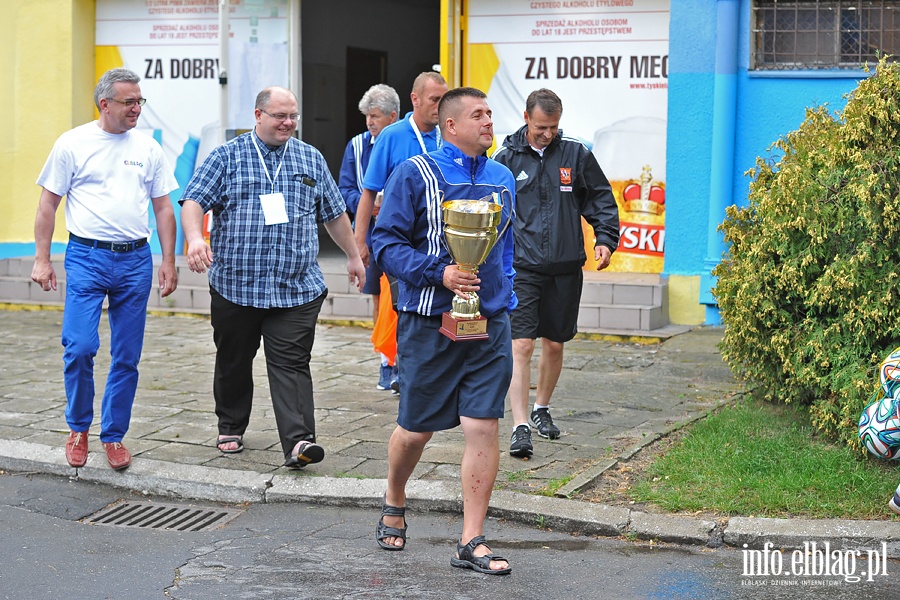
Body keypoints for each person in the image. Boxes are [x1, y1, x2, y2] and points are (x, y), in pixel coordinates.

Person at [371, 87, 516, 575]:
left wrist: (505, 295)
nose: (488, 121)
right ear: (450, 125)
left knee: (483, 424)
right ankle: (395, 493)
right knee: (416, 430)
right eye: (478, 115)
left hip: (489, 322)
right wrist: (441, 273)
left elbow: (507, 246)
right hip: (428, 322)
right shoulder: (414, 173)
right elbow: (385, 243)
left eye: (490, 113)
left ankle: (471, 538)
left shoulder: (501, 177)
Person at [180, 86, 365, 468]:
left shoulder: (310, 158)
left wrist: (353, 256)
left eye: (293, 116)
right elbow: (194, 199)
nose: (288, 123)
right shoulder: (227, 157)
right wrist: (196, 237)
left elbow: (333, 213)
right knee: (234, 359)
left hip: (295, 287)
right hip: (236, 285)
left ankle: (299, 442)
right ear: (258, 115)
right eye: (280, 116)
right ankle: (231, 423)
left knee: (291, 363)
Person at [31, 68, 179, 471]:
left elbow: (164, 207)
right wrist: (42, 259)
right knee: (79, 347)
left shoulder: (147, 148)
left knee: (127, 355)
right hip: (87, 256)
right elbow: (48, 204)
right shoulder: (73, 143)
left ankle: (113, 436)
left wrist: (168, 260)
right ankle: (78, 427)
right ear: (105, 104)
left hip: (135, 259)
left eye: (139, 101)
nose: (137, 108)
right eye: (129, 102)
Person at [492, 88, 619, 458]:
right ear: (526, 117)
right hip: (522, 269)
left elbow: (599, 197)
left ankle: (541, 408)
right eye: (541, 126)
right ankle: (518, 426)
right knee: (521, 345)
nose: (547, 133)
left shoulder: (576, 153)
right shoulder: (505, 157)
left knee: (555, 344)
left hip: (565, 267)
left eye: (554, 127)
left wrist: (605, 238)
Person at [351, 72, 449, 394]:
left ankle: (424, 370)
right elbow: (368, 191)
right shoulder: (393, 136)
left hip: (438, 241)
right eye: (435, 99)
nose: (440, 106)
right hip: (398, 241)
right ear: (415, 99)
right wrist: (359, 243)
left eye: (443, 99)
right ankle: (391, 363)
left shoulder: (448, 134)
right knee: (395, 305)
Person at [337, 84, 400, 391]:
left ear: (393, 116)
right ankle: (386, 361)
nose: (370, 122)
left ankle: (408, 360)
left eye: (375, 116)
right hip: (373, 234)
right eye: (366, 117)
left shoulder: (405, 140)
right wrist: (365, 206)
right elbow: (346, 188)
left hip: (404, 234)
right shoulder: (357, 146)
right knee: (380, 297)